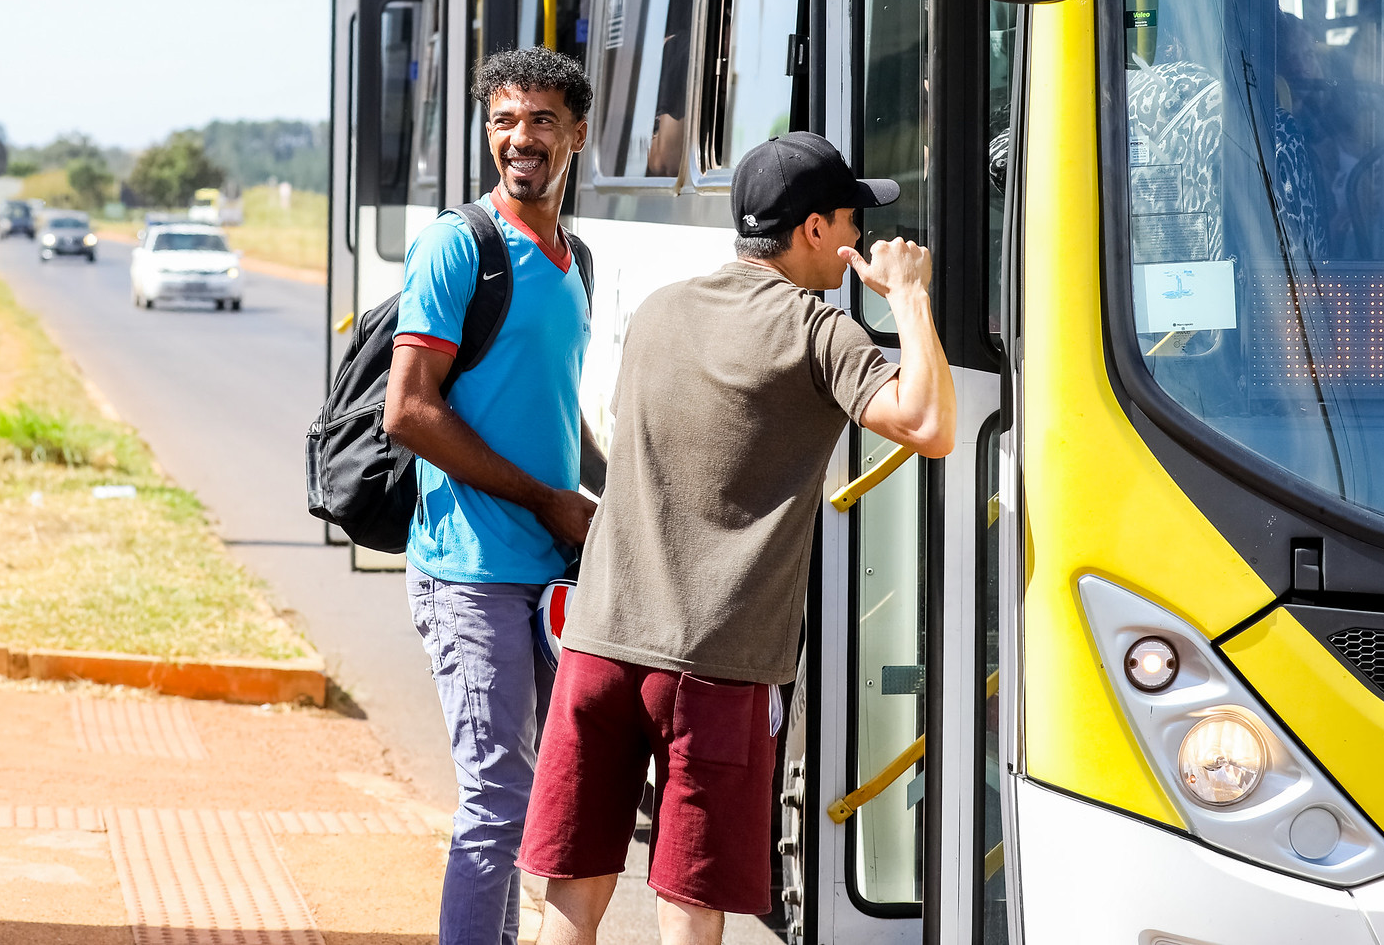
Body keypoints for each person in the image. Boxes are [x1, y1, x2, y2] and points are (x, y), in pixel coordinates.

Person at [517, 130, 957, 945]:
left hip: (598, 645)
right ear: (813, 229)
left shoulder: (659, 309)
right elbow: (930, 423)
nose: (860, 236)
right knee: (691, 905)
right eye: (851, 218)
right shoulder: (818, 331)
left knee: (569, 901)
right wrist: (910, 297)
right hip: (712, 670)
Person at [383, 46, 605, 945]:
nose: (522, 137)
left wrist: (610, 494)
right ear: (487, 132)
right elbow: (409, 410)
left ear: (577, 135)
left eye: (543, 120)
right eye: (506, 120)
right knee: (496, 804)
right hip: (469, 566)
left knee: (561, 802)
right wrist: (548, 501)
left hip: (550, 574)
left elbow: (554, 411)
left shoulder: (574, 257)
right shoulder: (458, 245)